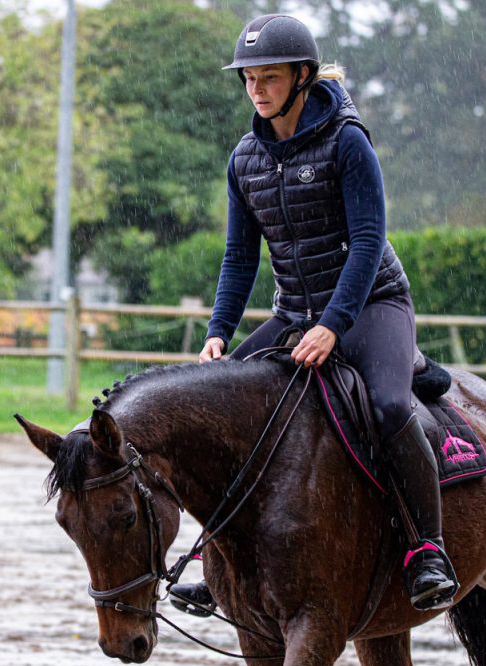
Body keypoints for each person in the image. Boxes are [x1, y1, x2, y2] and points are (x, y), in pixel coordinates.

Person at [170, 14, 458, 614]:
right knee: (217, 403)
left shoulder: (348, 140)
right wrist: (219, 333)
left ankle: (426, 549)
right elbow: (239, 254)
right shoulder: (244, 158)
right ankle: (212, 556)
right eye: (249, 78)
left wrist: (333, 324)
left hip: (372, 303)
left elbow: (370, 239)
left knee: (385, 405)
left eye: (269, 77)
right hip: (295, 312)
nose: (256, 89)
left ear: (303, 76)